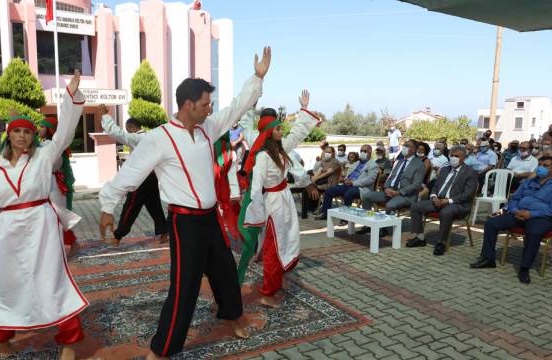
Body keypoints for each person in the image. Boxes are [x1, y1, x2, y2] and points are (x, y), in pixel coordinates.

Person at [98, 46, 271, 359]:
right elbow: (130, 175)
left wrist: (256, 79)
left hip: (209, 219)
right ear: (188, 104)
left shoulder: (208, 128)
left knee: (225, 272)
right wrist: (106, 207)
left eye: (210, 103)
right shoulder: (159, 138)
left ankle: (233, 315)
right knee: (184, 287)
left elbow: (235, 108)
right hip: (183, 223)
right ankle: (162, 349)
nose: (210, 108)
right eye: (205, 103)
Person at [0, 71, 88, 359]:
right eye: (17, 131)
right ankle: (1, 341)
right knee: (9, 285)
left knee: (52, 280)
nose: (22, 136)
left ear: (33, 136)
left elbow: (64, 132)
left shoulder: (45, 156)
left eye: (27, 131)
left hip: (42, 226)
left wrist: (71, 96)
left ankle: (69, 342)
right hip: (10, 230)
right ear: (9, 135)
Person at [240, 91, 321, 307]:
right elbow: (256, 188)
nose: (281, 129)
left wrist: (304, 109)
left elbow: (298, 132)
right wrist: (255, 213)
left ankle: (275, 280)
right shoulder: (263, 156)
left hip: (284, 200)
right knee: (273, 247)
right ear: (267, 131)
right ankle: (267, 290)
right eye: (277, 127)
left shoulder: (281, 147)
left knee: (284, 241)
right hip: (273, 203)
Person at [470, 157, 552, 284]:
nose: (541, 167)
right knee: (491, 223)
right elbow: (515, 199)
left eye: (546, 165)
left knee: (533, 233)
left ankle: (524, 268)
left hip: (542, 218)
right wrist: (515, 210)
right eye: (540, 164)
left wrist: (531, 214)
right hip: (518, 214)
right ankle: (488, 259)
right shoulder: (528, 182)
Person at [99, 106, 169, 244]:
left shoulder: (137, 138)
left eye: (127, 129)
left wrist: (105, 116)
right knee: (154, 205)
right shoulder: (150, 135)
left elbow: (117, 133)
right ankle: (164, 231)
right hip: (152, 177)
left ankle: (117, 236)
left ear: (131, 127)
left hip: (140, 179)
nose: (127, 131)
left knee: (130, 207)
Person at [406, 146, 478, 255]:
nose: (453, 158)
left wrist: (448, 201)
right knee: (415, 206)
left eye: (456, 156)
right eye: (451, 155)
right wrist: (434, 196)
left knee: (446, 212)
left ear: (463, 158)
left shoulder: (470, 172)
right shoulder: (445, 169)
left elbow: (467, 195)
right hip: (439, 200)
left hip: (458, 204)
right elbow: (435, 186)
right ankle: (420, 238)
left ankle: (441, 242)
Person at [38, 116, 81, 257]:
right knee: (52, 215)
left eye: (42, 126)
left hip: (53, 183)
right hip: (46, 183)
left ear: (50, 130)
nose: (39, 129)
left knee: (57, 214)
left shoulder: (50, 145)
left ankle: (71, 244)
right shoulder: (44, 144)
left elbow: (52, 165)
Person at [361, 140, 426, 217]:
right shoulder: (399, 161)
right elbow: (391, 177)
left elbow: (416, 184)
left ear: (414, 149)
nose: (404, 147)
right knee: (366, 197)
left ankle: (387, 228)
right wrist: (386, 188)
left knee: (390, 205)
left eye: (407, 146)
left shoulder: (419, 164)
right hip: (389, 192)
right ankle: (369, 222)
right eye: (404, 145)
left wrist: (399, 192)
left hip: (406, 196)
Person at [315, 144, 379, 220]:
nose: (362, 153)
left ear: (370, 152)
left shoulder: (373, 165)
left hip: (361, 188)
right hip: (348, 185)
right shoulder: (357, 163)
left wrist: (353, 182)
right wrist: (345, 179)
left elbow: (370, 180)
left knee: (348, 194)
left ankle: (345, 219)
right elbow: (348, 173)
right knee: (329, 191)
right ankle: (325, 214)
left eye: (365, 151)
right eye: (361, 151)